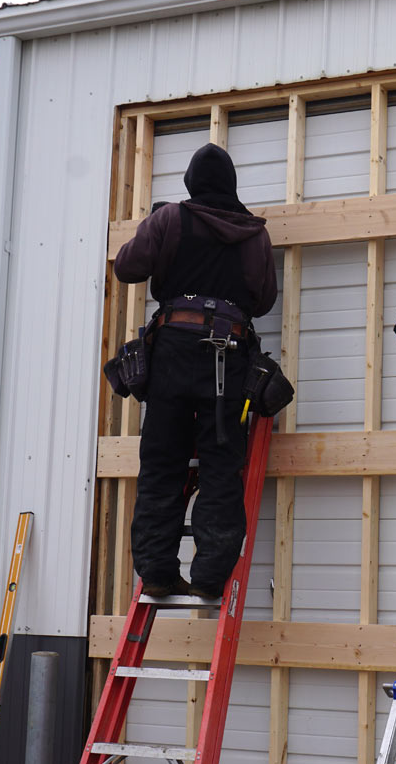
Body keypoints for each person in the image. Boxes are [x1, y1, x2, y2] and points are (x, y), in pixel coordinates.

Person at [114, 143, 277, 598]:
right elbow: (263, 301)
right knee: (222, 466)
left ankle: (157, 572)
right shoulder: (254, 234)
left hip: (172, 351)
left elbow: (127, 268)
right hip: (229, 354)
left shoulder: (170, 220)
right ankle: (210, 576)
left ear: (190, 183)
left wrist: (156, 227)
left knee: (163, 463)